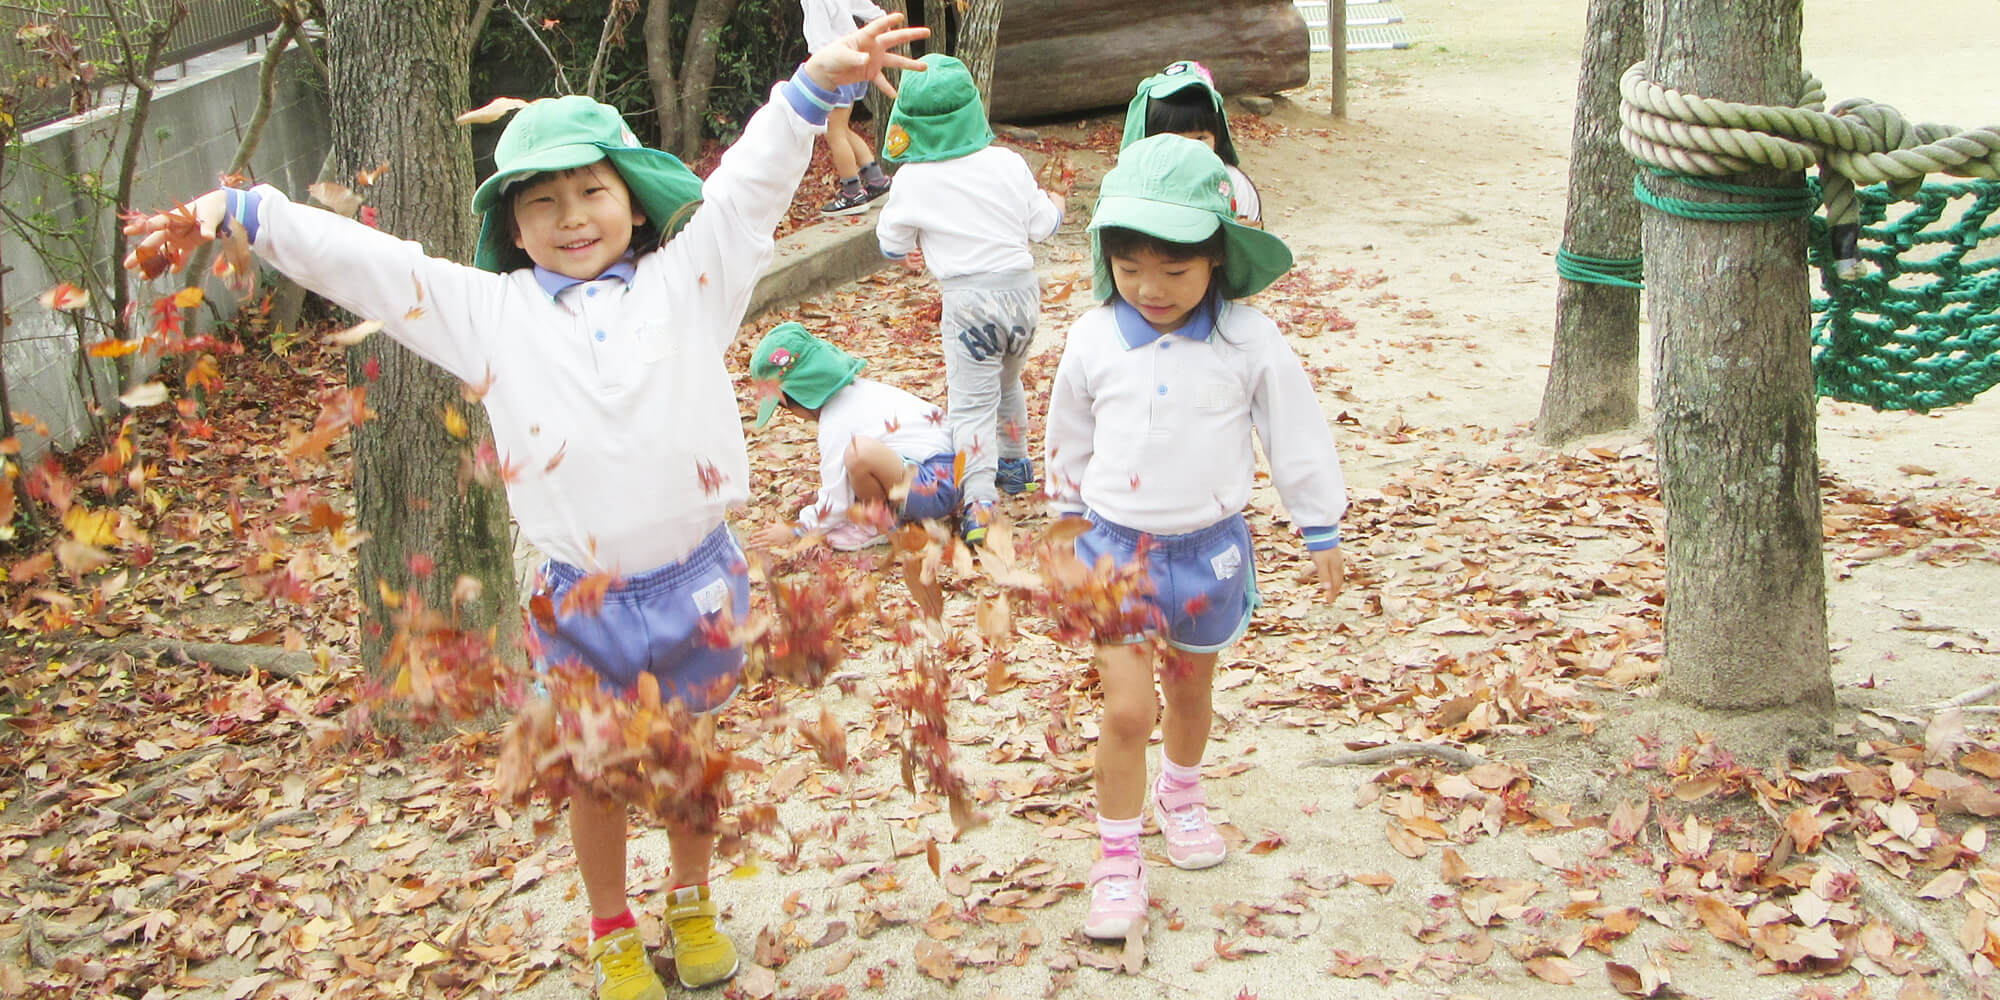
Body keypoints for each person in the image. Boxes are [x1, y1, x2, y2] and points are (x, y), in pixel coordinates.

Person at [123, 17, 928, 1000]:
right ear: (513, 227)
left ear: (632, 203)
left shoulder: (691, 284)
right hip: (578, 599)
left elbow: (748, 189)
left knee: (687, 760)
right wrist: (247, 208)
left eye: (592, 190)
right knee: (595, 774)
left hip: (698, 579)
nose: (572, 214)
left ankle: (689, 900)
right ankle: (610, 931)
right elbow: (374, 266)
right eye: (542, 201)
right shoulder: (490, 315)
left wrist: (809, 88)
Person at [1043, 133, 1346, 941]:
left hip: (1210, 552)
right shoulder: (1093, 338)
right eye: (1132, 267)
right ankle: (1115, 859)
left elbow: (1295, 431)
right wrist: (1061, 524)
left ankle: (1181, 794)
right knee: (1126, 709)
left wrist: (1320, 525)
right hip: (1113, 552)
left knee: (1188, 694)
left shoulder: (1248, 342)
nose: (1151, 287)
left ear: (1217, 259)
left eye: (1175, 270)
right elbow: (1067, 438)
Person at [874, 53, 1065, 546]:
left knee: (970, 403)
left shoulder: (913, 178)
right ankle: (1017, 464)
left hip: (970, 303)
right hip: (1023, 295)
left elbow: (891, 243)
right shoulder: (1008, 163)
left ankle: (979, 498)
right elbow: (1043, 226)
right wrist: (1059, 202)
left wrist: (918, 245)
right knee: (1008, 381)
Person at [742, 321, 957, 551]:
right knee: (860, 454)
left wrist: (799, 528)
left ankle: (874, 526)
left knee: (858, 454)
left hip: (934, 488)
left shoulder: (836, 422)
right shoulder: (861, 391)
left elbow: (836, 501)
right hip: (954, 470)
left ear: (798, 399)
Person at [1122, 59, 1262, 225]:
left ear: (1218, 136)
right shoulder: (1132, 188)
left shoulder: (1233, 185)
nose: (1189, 149)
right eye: (1175, 139)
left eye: (1200, 138)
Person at [802, 0, 896, 214]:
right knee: (842, 129)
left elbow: (820, 41)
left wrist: (816, 69)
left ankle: (852, 193)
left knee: (833, 132)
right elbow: (869, 10)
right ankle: (876, 181)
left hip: (836, 66)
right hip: (853, 62)